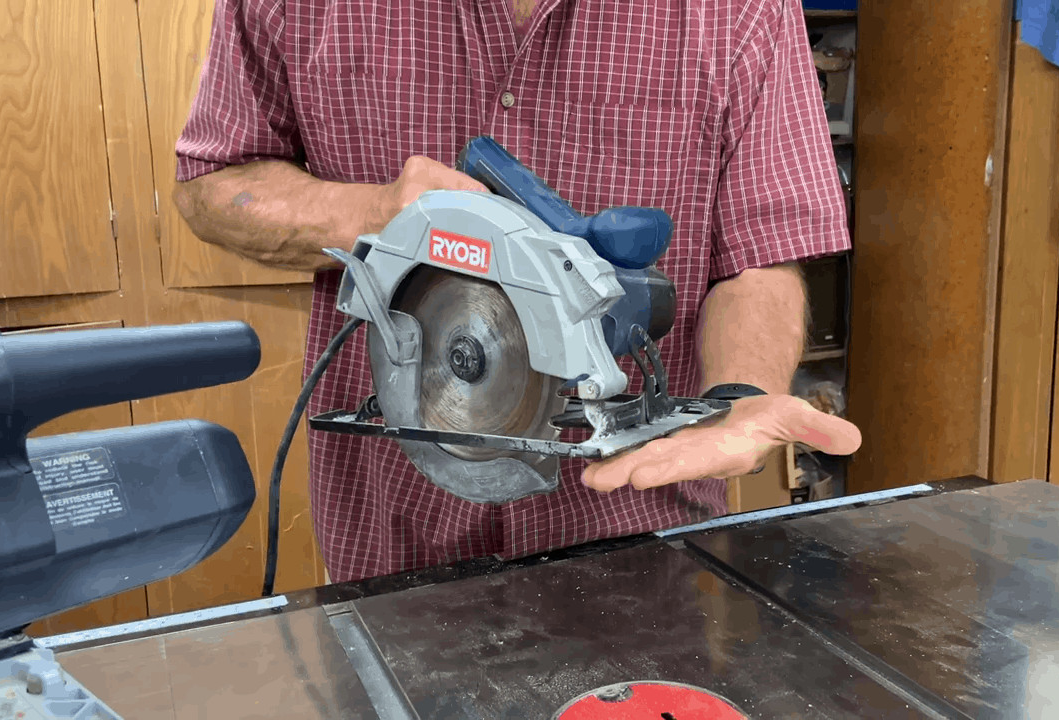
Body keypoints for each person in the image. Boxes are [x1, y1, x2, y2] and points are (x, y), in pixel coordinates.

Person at [173, 0, 862, 583]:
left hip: (641, 523)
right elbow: (214, 183)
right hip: (392, 519)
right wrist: (380, 213)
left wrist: (737, 399)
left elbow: (760, 254)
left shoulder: (738, 10)